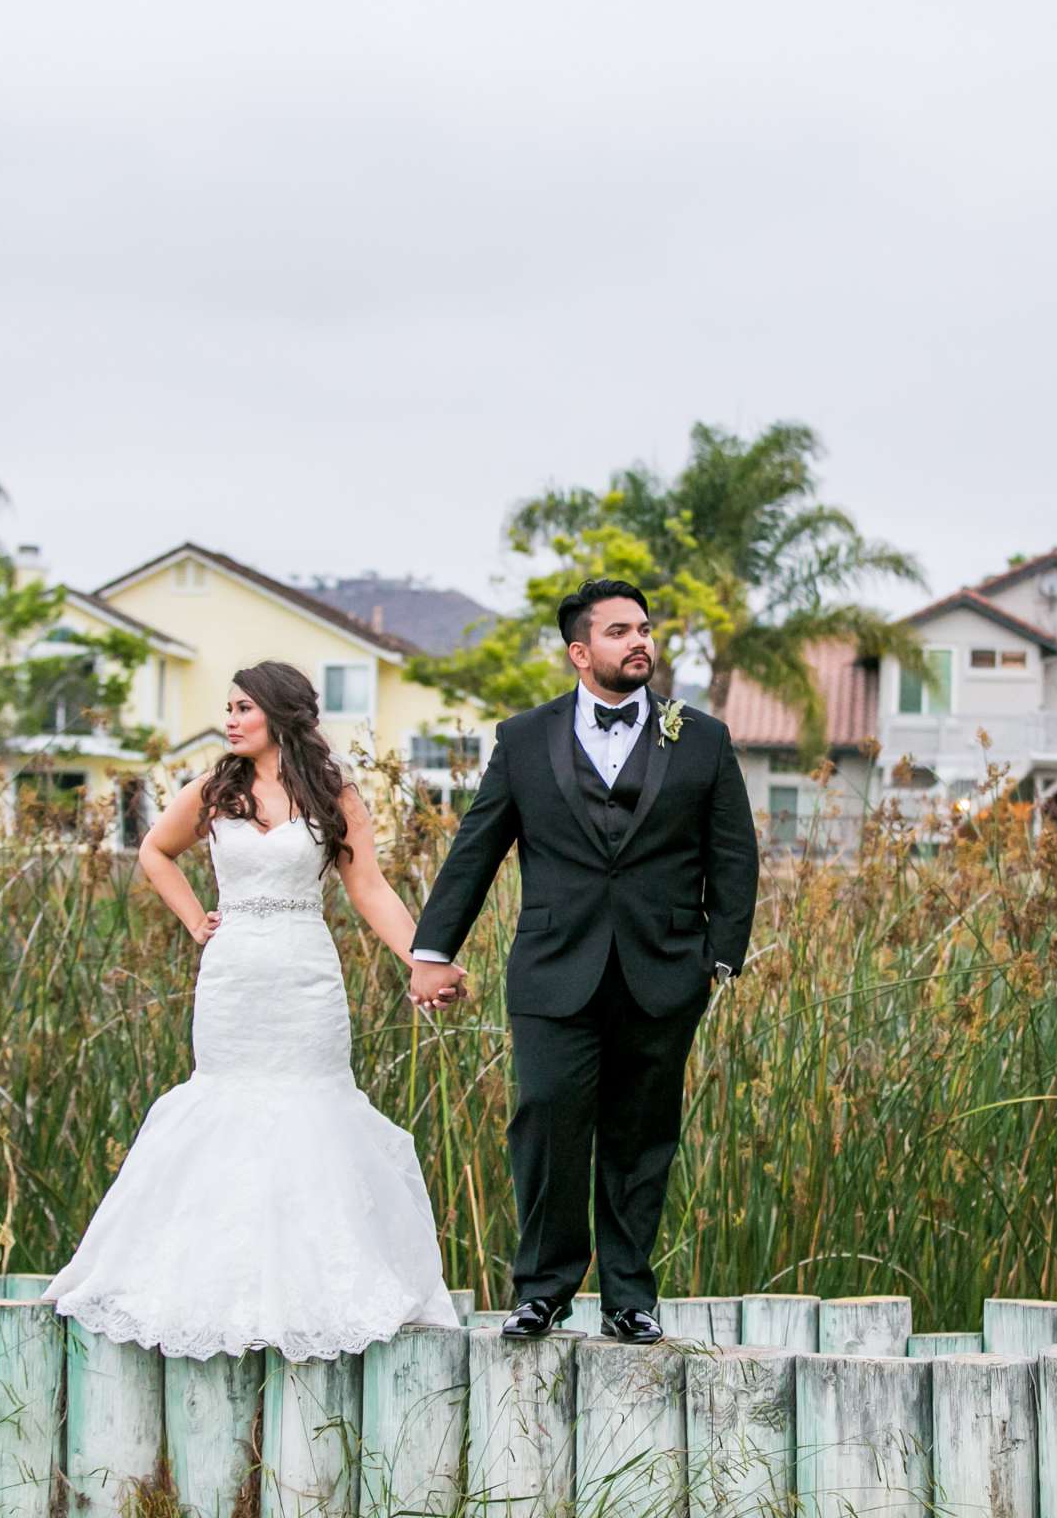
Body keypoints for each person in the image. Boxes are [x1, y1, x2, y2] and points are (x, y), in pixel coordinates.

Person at [43, 660, 461, 1359]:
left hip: (304, 975)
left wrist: (423, 959)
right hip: (234, 976)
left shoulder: (334, 794)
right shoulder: (213, 789)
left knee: (313, 1110)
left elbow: (370, 890)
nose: (231, 719)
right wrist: (193, 921)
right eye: (228, 707)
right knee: (224, 1105)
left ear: (281, 713)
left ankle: (318, 1289)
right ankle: (208, 1286)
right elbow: (155, 850)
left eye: (244, 707)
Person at [408, 578, 758, 1343]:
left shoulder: (699, 736)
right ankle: (543, 1289)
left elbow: (733, 854)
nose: (640, 642)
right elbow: (478, 846)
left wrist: (719, 958)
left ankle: (631, 1296)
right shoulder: (524, 738)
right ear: (579, 652)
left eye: (644, 629)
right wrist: (434, 951)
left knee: (642, 1135)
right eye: (619, 631)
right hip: (552, 967)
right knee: (547, 1118)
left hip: (664, 968)